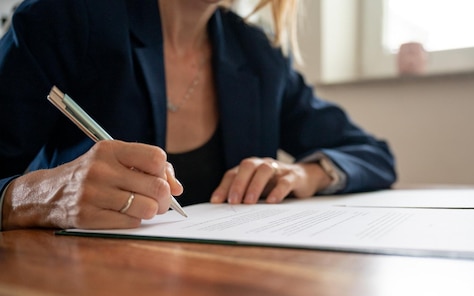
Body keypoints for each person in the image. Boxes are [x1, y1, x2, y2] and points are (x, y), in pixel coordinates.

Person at [0, 0, 396, 231]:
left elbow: (372, 154)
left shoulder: (260, 55)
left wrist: (303, 174)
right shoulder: (61, 19)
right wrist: (40, 197)